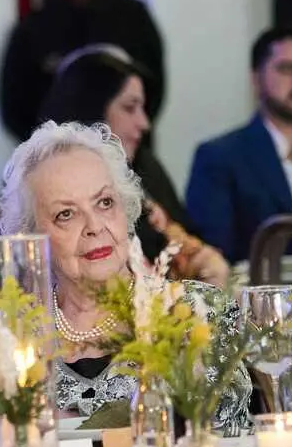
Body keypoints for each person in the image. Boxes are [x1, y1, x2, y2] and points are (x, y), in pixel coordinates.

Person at [0, 121, 251, 436]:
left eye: (104, 203)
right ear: (32, 235)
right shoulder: (13, 337)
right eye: (66, 214)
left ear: (125, 210)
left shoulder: (196, 311)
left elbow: (232, 439)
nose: (94, 226)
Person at [41, 45, 229, 287]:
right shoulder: (46, 183)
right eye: (130, 108)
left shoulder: (144, 166)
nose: (144, 123)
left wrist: (203, 266)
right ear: (91, 111)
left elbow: (188, 244)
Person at [186, 27, 292, 264]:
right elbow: (213, 258)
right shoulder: (220, 158)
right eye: (287, 69)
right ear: (256, 78)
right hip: (261, 286)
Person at [0, 0, 165, 144]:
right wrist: (55, 147)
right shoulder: (30, 31)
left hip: (130, 151)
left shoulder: (133, 16)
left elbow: (154, 87)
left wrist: (126, 132)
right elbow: (14, 108)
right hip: (60, 154)